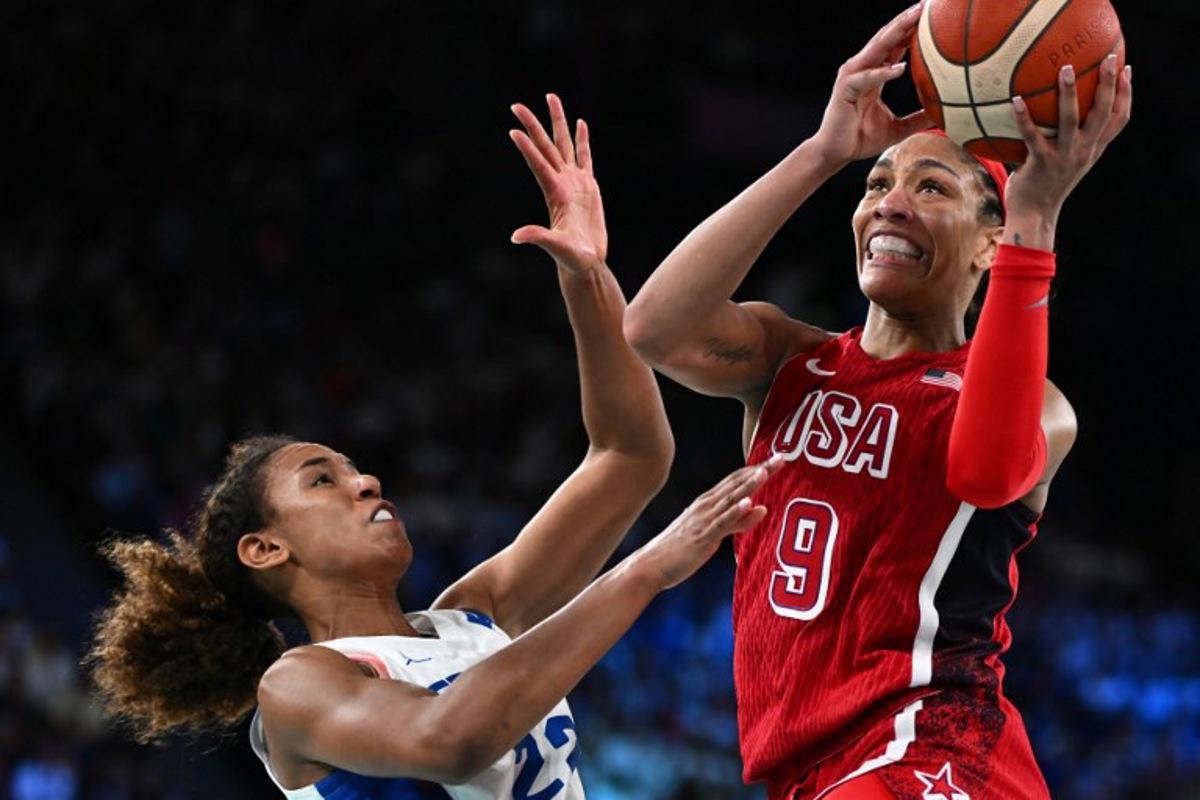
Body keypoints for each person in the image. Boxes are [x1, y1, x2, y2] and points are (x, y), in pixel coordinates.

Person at [87, 95, 784, 800]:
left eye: (354, 470)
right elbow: (447, 740)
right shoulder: (298, 685)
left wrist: (587, 277)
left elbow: (630, 456)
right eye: (322, 480)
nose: (366, 484)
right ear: (266, 548)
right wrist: (647, 570)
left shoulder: (476, 614)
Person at [623, 5, 1132, 799]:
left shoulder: (1037, 406)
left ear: (990, 242)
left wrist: (1037, 217)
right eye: (877, 183)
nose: (889, 203)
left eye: (931, 187)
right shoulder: (789, 362)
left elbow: (988, 470)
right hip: (809, 770)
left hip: (930, 750)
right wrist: (825, 152)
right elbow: (654, 328)